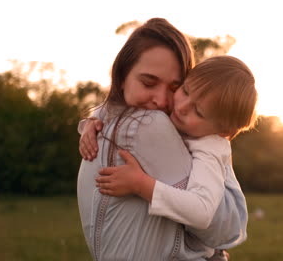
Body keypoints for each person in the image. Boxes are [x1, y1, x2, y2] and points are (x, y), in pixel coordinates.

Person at [77, 18, 251, 261]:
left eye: (174, 87)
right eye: (149, 82)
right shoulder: (149, 124)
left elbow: (221, 227)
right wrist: (89, 124)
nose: (163, 101)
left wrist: (141, 184)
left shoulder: (207, 148)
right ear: (122, 75)